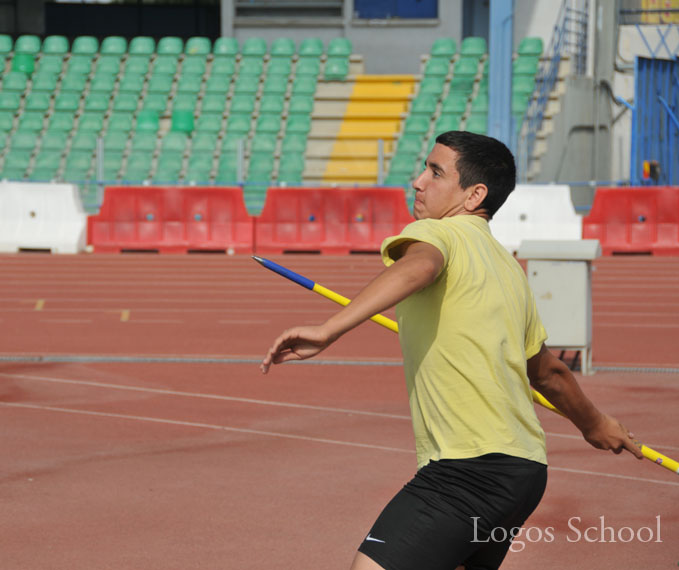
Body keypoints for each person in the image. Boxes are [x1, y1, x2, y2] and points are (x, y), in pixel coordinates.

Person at [260, 131, 643, 570]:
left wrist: (329, 330)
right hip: (523, 473)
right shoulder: (510, 270)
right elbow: (548, 373)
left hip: (467, 469)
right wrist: (595, 424)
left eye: (435, 172)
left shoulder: (439, 234)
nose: (418, 181)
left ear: (474, 195)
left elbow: (420, 265)